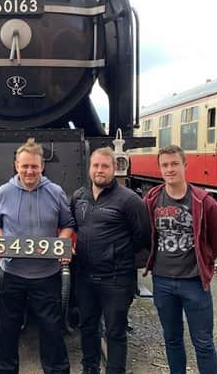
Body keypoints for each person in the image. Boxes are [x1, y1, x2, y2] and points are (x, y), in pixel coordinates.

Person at [0, 138, 75, 374]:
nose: (30, 171)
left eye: (34, 167)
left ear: (42, 167)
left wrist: (62, 242)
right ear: (16, 165)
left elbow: (67, 224)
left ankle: (57, 370)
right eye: (25, 166)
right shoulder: (4, 192)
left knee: (51, 328)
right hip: (12, 273)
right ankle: (5, 370)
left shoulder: (55, 192)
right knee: (7, 328)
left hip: (47, 274)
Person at [143, 145, 217, 374]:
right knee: (172, 339)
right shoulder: (151, 200)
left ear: (185, 166)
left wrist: (205, 261)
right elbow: (144, 233)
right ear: (160, 168)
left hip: (194, 282)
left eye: (174, 164)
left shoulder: (203, 201)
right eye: (165, 165)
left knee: (203, 343)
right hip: (162, 282)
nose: (170, 169)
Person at [70, 147, 151, 374]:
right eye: (96, 166)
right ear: (89, 169)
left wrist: (117, 255)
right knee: (87, 327)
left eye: (105, 166)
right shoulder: (79, 197)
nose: (100, 170)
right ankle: (90, 369)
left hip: (116, 279)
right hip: (85, 277)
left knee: (115, 331)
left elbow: (143, 236)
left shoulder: (130, 200)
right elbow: (75, 229)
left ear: (114, 169)